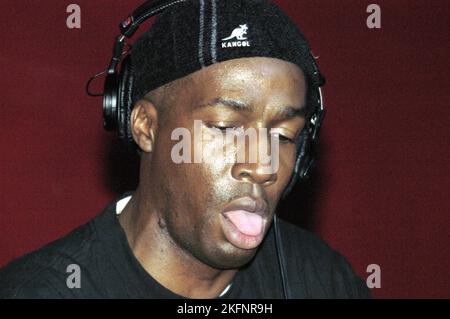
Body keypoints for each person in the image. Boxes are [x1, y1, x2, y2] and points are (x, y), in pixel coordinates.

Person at [0, 0, 370, 299]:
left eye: (285, 135)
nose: (262, 165)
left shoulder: (326, 282)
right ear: (146, 126)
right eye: (225, 128)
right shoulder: (41, 290)